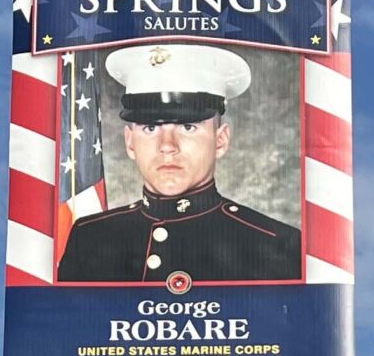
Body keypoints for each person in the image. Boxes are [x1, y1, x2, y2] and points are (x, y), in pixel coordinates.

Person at [55, 43, 304, 286]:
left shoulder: (277, 245)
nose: (167, 146)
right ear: (130, 143)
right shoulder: (89, 238)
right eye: (151, 128)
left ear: (220, 140)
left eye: (188, 127)